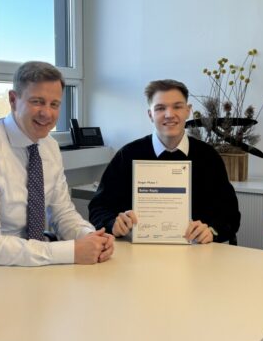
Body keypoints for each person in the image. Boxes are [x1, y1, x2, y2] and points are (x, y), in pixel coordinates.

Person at [0, 61, 114, 266]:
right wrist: (71, 252)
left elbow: (62, 213)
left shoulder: (49, 146)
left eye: (54, 104)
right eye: (37, 102)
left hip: (32, 262)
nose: (47, 113)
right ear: (13, 100)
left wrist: (91, 237)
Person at [89, 79, 241, 244]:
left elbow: (230, 214)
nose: (169, 114)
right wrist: (112, 224)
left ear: (188, 111)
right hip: (139, 251)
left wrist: (212, 231)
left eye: (177, 107)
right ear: (150, 115)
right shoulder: (127, 155)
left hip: (197, 250)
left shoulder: (208, 156)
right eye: (160, 108)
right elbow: (98, 208)